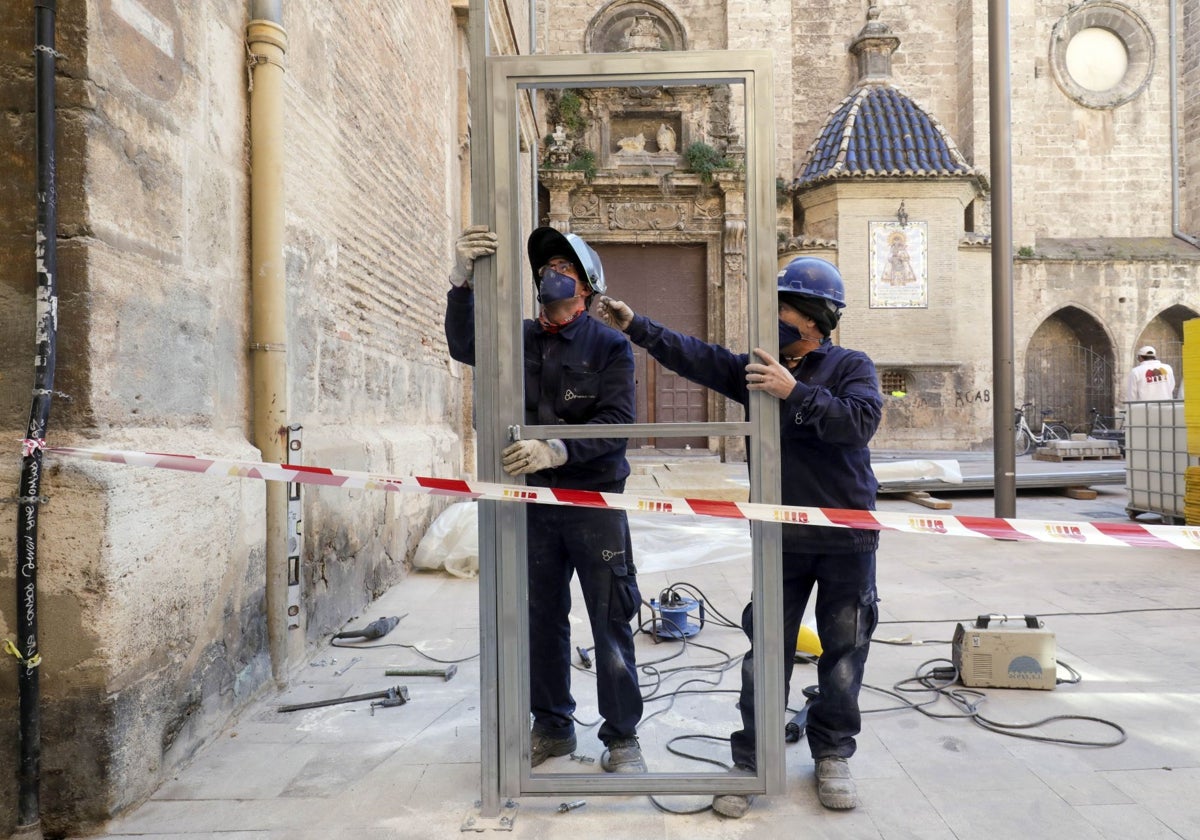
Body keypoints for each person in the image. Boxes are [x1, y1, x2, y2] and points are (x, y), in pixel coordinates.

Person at [596, 255, 882, 816]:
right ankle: (752, 759)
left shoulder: (852, 365)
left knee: (844, 651)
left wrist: (793, 390)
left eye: (781, 307)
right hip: (780, 537)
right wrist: (637, 326)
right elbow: (698, 358)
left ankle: (832, 754)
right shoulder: (756, 370)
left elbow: (860, 422)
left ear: (812, 317)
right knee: (765, 653)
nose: (770, 318)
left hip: (847, 536)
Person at [443, 224, 646, 773]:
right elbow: (466, 346)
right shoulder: (521, 339)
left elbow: (619, 423)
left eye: (564, 269)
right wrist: (461, 281)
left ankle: (623, 738)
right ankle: (553, 728)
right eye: (546, 268)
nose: (550, 276)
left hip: (595, 502)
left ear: (587, 285)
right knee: (542, 616)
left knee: (610, 615)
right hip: (535, 506)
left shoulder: (610, 347)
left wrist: (556, 450)